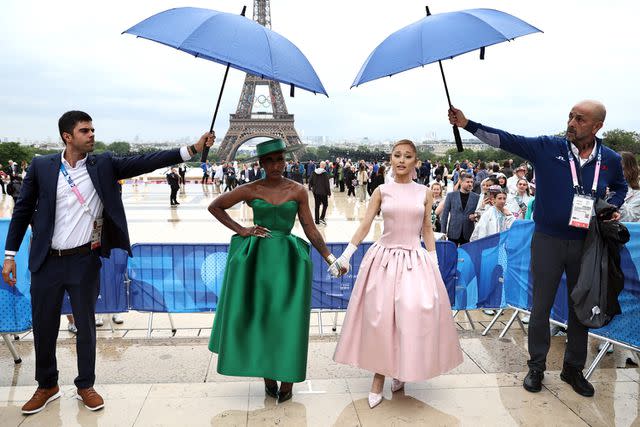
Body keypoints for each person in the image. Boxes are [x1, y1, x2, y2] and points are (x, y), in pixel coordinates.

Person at [2, 110, 214, 415]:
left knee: (86, 326)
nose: (92, 135)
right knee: (44, 326)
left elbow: (147, 160)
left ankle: (85, 384)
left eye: (92, 130)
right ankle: (46, 385)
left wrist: (192, 149)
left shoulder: (103, 164)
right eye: (85, 131)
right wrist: (10, 256)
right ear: (67, 136)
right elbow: (22, 210)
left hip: (84, 259)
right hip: (47, 261)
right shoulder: (42, 166)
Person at [449, 100, 627, 397]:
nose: (571, 122)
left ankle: (573, 369)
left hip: (587, 243)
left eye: (580, 119)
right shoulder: (548, 148)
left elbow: (621, 187)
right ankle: (536, 367)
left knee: (579, 307)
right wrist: (467, 124)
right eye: (570, 116)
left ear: (597, 127)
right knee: (541, 306)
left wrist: (612, 206)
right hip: (547, 240)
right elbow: (506, 139)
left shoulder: (608, 159)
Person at [208, 139, 344, 404]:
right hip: (257, 262)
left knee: (287, 321)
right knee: (261, 318)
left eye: (279, 159)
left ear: (285, 161)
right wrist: (242, 230)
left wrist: (330, 258)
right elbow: (215, 206)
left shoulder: (298, 190)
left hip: (288, 264)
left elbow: (310, 227)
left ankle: (288, 378)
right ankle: (268, 376)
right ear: (261, 164)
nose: (275, 165)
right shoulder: (250, 188)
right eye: (269, 161)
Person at [331, 139, 463, 409]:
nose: (401, 160)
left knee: (411, 315)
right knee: (382, 320)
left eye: (408, 156)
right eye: (397, 155)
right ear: (390, 159)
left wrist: (434, 261)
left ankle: (402, 370)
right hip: (384, 260)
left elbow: (426, 228)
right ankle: (378, 378)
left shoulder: (425, 192)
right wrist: (345, 256)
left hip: (415, 260)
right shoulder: (381, 190)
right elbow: (366, 224)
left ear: (416, 161)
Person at [440, 174, 480, 246]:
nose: (470, 184)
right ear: (461, 182)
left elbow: (479, 213)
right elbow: (444, 215)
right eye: (468, 182)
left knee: (466, 256)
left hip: (468, 233)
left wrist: (475, 216)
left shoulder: (476, 197)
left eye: (471, 182)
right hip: (453, 232)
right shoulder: (451, 196)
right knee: (451, 255)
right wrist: (443, 232)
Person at [309, 160, 331, 225]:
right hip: (323, 192)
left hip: (316, 192)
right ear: (324, 166)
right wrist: (329, 193)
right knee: (325, 204)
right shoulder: (325, 173)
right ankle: (322, 217)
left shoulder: (314, 172)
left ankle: (317, 221)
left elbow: (310, 181)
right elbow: (327, 184)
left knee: (317, 206)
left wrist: (314, 187)